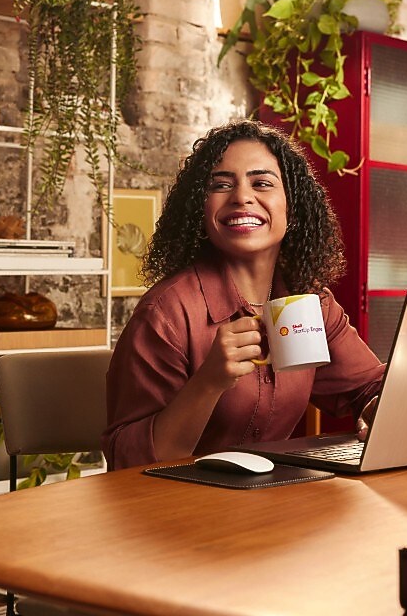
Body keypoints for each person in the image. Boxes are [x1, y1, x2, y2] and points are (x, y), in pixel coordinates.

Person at [102, 119, 384, 470]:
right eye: (221, 185)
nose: (241, 197)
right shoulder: (167, 313)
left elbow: (368, 390)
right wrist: (209, 382)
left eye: (262, 183)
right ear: (201, 210)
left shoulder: (310, 302)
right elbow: (127, 458)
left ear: (291, 208)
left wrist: (380, 410)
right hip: (176, 508)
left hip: (272, 501)